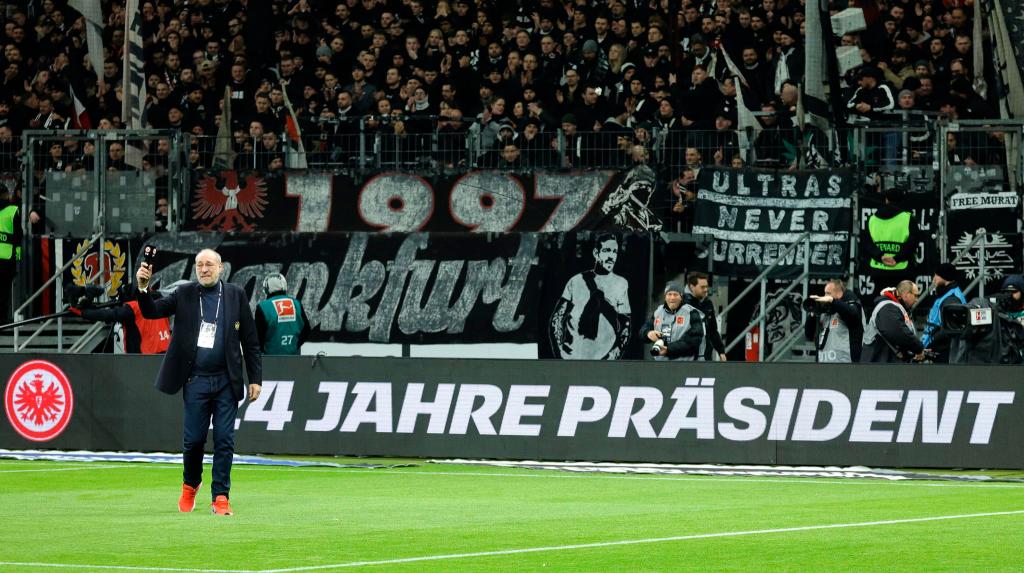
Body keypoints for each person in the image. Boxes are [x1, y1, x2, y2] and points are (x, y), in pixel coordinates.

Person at [135, 248, 262, 516]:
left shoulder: (235, 294)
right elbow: (151, 311)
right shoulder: (184, 294)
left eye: (209, 265)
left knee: (225, 440)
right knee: (193, 441)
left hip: (227, 381)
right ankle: (190, 484)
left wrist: (256, 379)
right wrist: (143, 288)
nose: (204, 269)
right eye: (199, 265)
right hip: (196, 380)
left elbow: (250, 340)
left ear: (220, 268)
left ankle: (221, 496)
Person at [549, 234, 631, 360]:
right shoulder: (575, 281)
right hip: (572, 357)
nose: (611, 256)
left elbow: (625, 323)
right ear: (596, 253)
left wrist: (614, 356)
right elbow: (557, 319)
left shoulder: (621, 284)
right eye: (606, 250)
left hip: (603, 360)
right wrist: (560, 352)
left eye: (615, 252)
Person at [68, 284, 175, 354]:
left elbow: (108, 315)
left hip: (143, 359)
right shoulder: (161, 302)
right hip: (166, 355)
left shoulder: (134, 307)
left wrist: (83, 313)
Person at [864, 187, 918, 295]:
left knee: (882, 300)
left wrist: (881, 256)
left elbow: (867, 243)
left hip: (878, 269)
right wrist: (897, 258)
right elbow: (913, 243)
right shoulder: (907, 218)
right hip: (902, 270)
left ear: (886, 200)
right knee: (902, 303)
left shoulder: (872, 219)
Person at [861, 280, 924, 363]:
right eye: (915, 295)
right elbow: (898, 332)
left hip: (886, 364)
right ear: (906, 294)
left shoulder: (896, 308)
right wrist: (918, 348)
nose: (916, 299)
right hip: (878, 366)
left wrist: (915, 351)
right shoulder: (887, 307)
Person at [803, 279, 864, 363]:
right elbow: (809, 334)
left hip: (845, 364)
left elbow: (853, 316)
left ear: (839, 293)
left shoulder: (851, 306)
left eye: (828, 293)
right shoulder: (825, 312)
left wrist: (832, 301)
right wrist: (813, 315)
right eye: (825, 293)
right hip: (823, 363)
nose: (825, 296)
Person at [640, 282, 706, 361]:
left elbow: (693, 340)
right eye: (669, 294)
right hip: (661, 364)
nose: (672, 298)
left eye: (675, 294)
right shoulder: (658, 312)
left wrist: (669, 349)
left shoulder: (691, 312)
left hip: (684, 365)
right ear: (665, 297)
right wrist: (648, 334)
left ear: (681, 296)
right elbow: (643, 329)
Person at [255, 272, 310, 355]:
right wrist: (295, 346)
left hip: (270, 361)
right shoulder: (297, 304)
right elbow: (307, 330)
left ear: (267, 288)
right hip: (295, 360)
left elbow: (258, 337)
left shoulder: (263, 307)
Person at [921, 263, 967, 363]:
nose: (934, 279)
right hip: (939, 348)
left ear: (945, 277)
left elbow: (949, 330)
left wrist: (931, 344)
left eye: (937, 275)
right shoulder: (946, 294)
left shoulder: (952, 299)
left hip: (945, 351)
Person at [683, 271, 726, 361]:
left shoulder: (708, 304)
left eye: (707, 286)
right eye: (702, 287)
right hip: (686, 357)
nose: (706, 289)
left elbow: (713, 330)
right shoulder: (681, 304)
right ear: (692, 287)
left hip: (706, 356)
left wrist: (721, 351)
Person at [0, 185, 20, 323]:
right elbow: (18, 235)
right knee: (4, 290)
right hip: (7, 257)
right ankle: (3, 319)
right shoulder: (13, 210)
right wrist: (18, 255)